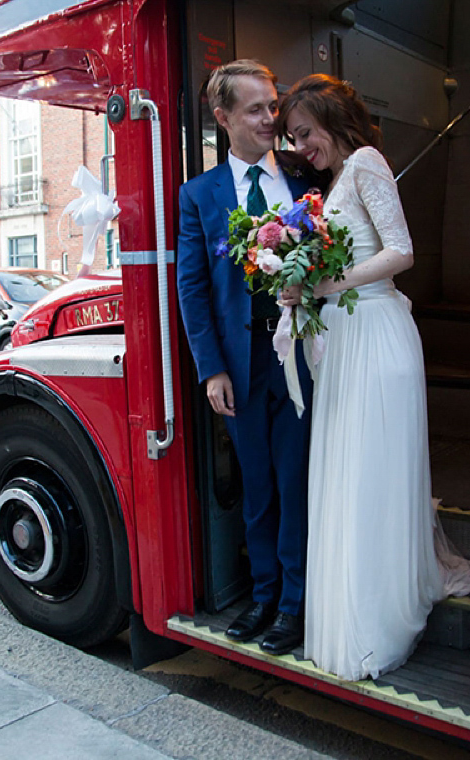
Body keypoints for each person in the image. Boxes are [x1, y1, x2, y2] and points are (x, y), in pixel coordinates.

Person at [278, 74, 470, 681]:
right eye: (293, 138)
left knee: (370, 478)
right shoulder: (335, 181)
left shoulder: (365, 163)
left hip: (375, 332)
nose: (301, 148)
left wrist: (323, 284)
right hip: (344, 339)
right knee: (350, 476)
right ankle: (351, 614)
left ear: (332, 119)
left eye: (305, 133)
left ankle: (376, 622)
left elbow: (402, 251)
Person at [176, 60, 318, 656]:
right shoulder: (198, 196)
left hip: (301, 357)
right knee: (258, 486)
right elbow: (192, 287)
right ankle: (263, 595)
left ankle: (295, 603)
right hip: (240, 364)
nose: (271, 118)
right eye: (256, 108)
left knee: (296, 481)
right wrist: (210, 368)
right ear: (223, 117)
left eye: (273, 104)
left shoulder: (305, 173)